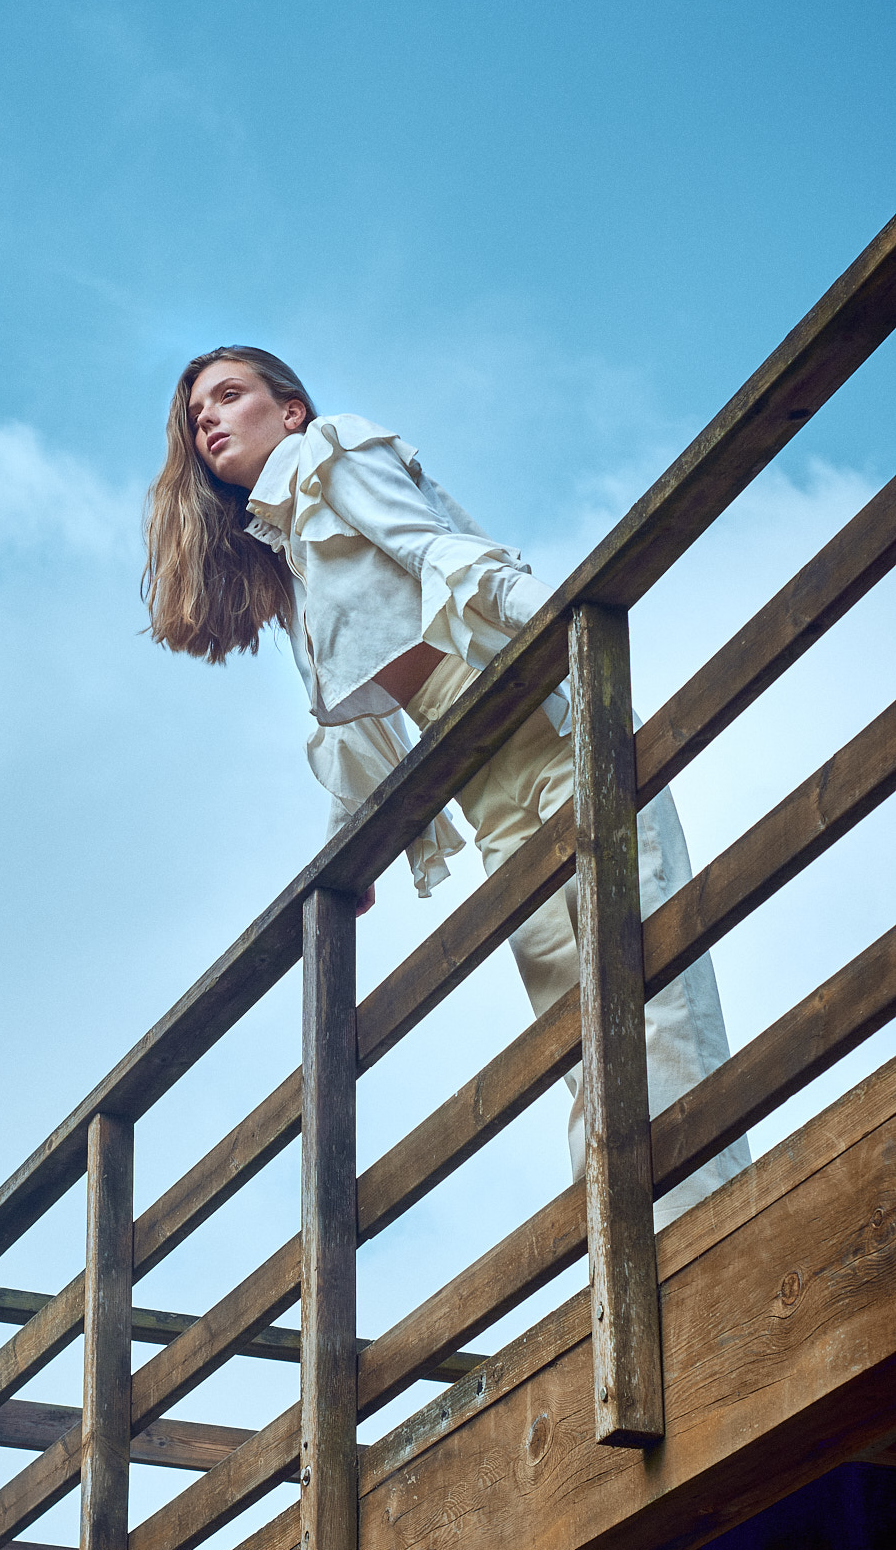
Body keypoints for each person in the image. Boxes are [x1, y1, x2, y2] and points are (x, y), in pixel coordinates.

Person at [142, 346, 749, 1225]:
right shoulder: (293, 563)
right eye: (196, 415)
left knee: (643, 964)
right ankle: (634, 1246)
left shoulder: (332, 454)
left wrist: (571, 626)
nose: (207, 420)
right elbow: (359, 732)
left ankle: (716, 1221)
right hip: (475, 773)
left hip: (540, 718)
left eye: (229, 396)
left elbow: (442, 554)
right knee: (569, 1025)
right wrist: (345, 861)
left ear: (292, 411)